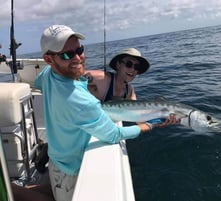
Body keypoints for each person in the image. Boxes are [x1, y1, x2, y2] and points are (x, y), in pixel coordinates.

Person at [34, 25, 178, 201]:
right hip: (70, 164)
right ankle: (13, 190)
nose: (78, 58)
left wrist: (157, 117)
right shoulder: (90, 89)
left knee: (52, 188)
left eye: (80, 50)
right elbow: (113, 134)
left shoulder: (49, 73)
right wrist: (150, 125)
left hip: (60, 154)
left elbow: (39, 82)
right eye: (67, 54)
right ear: (49, 59)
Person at [84, 47, 148, 102]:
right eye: (129, 64)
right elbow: (76, 76)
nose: (132, 69)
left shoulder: (129, 90)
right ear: (118, 65)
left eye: (136, 67)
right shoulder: (101, 78)